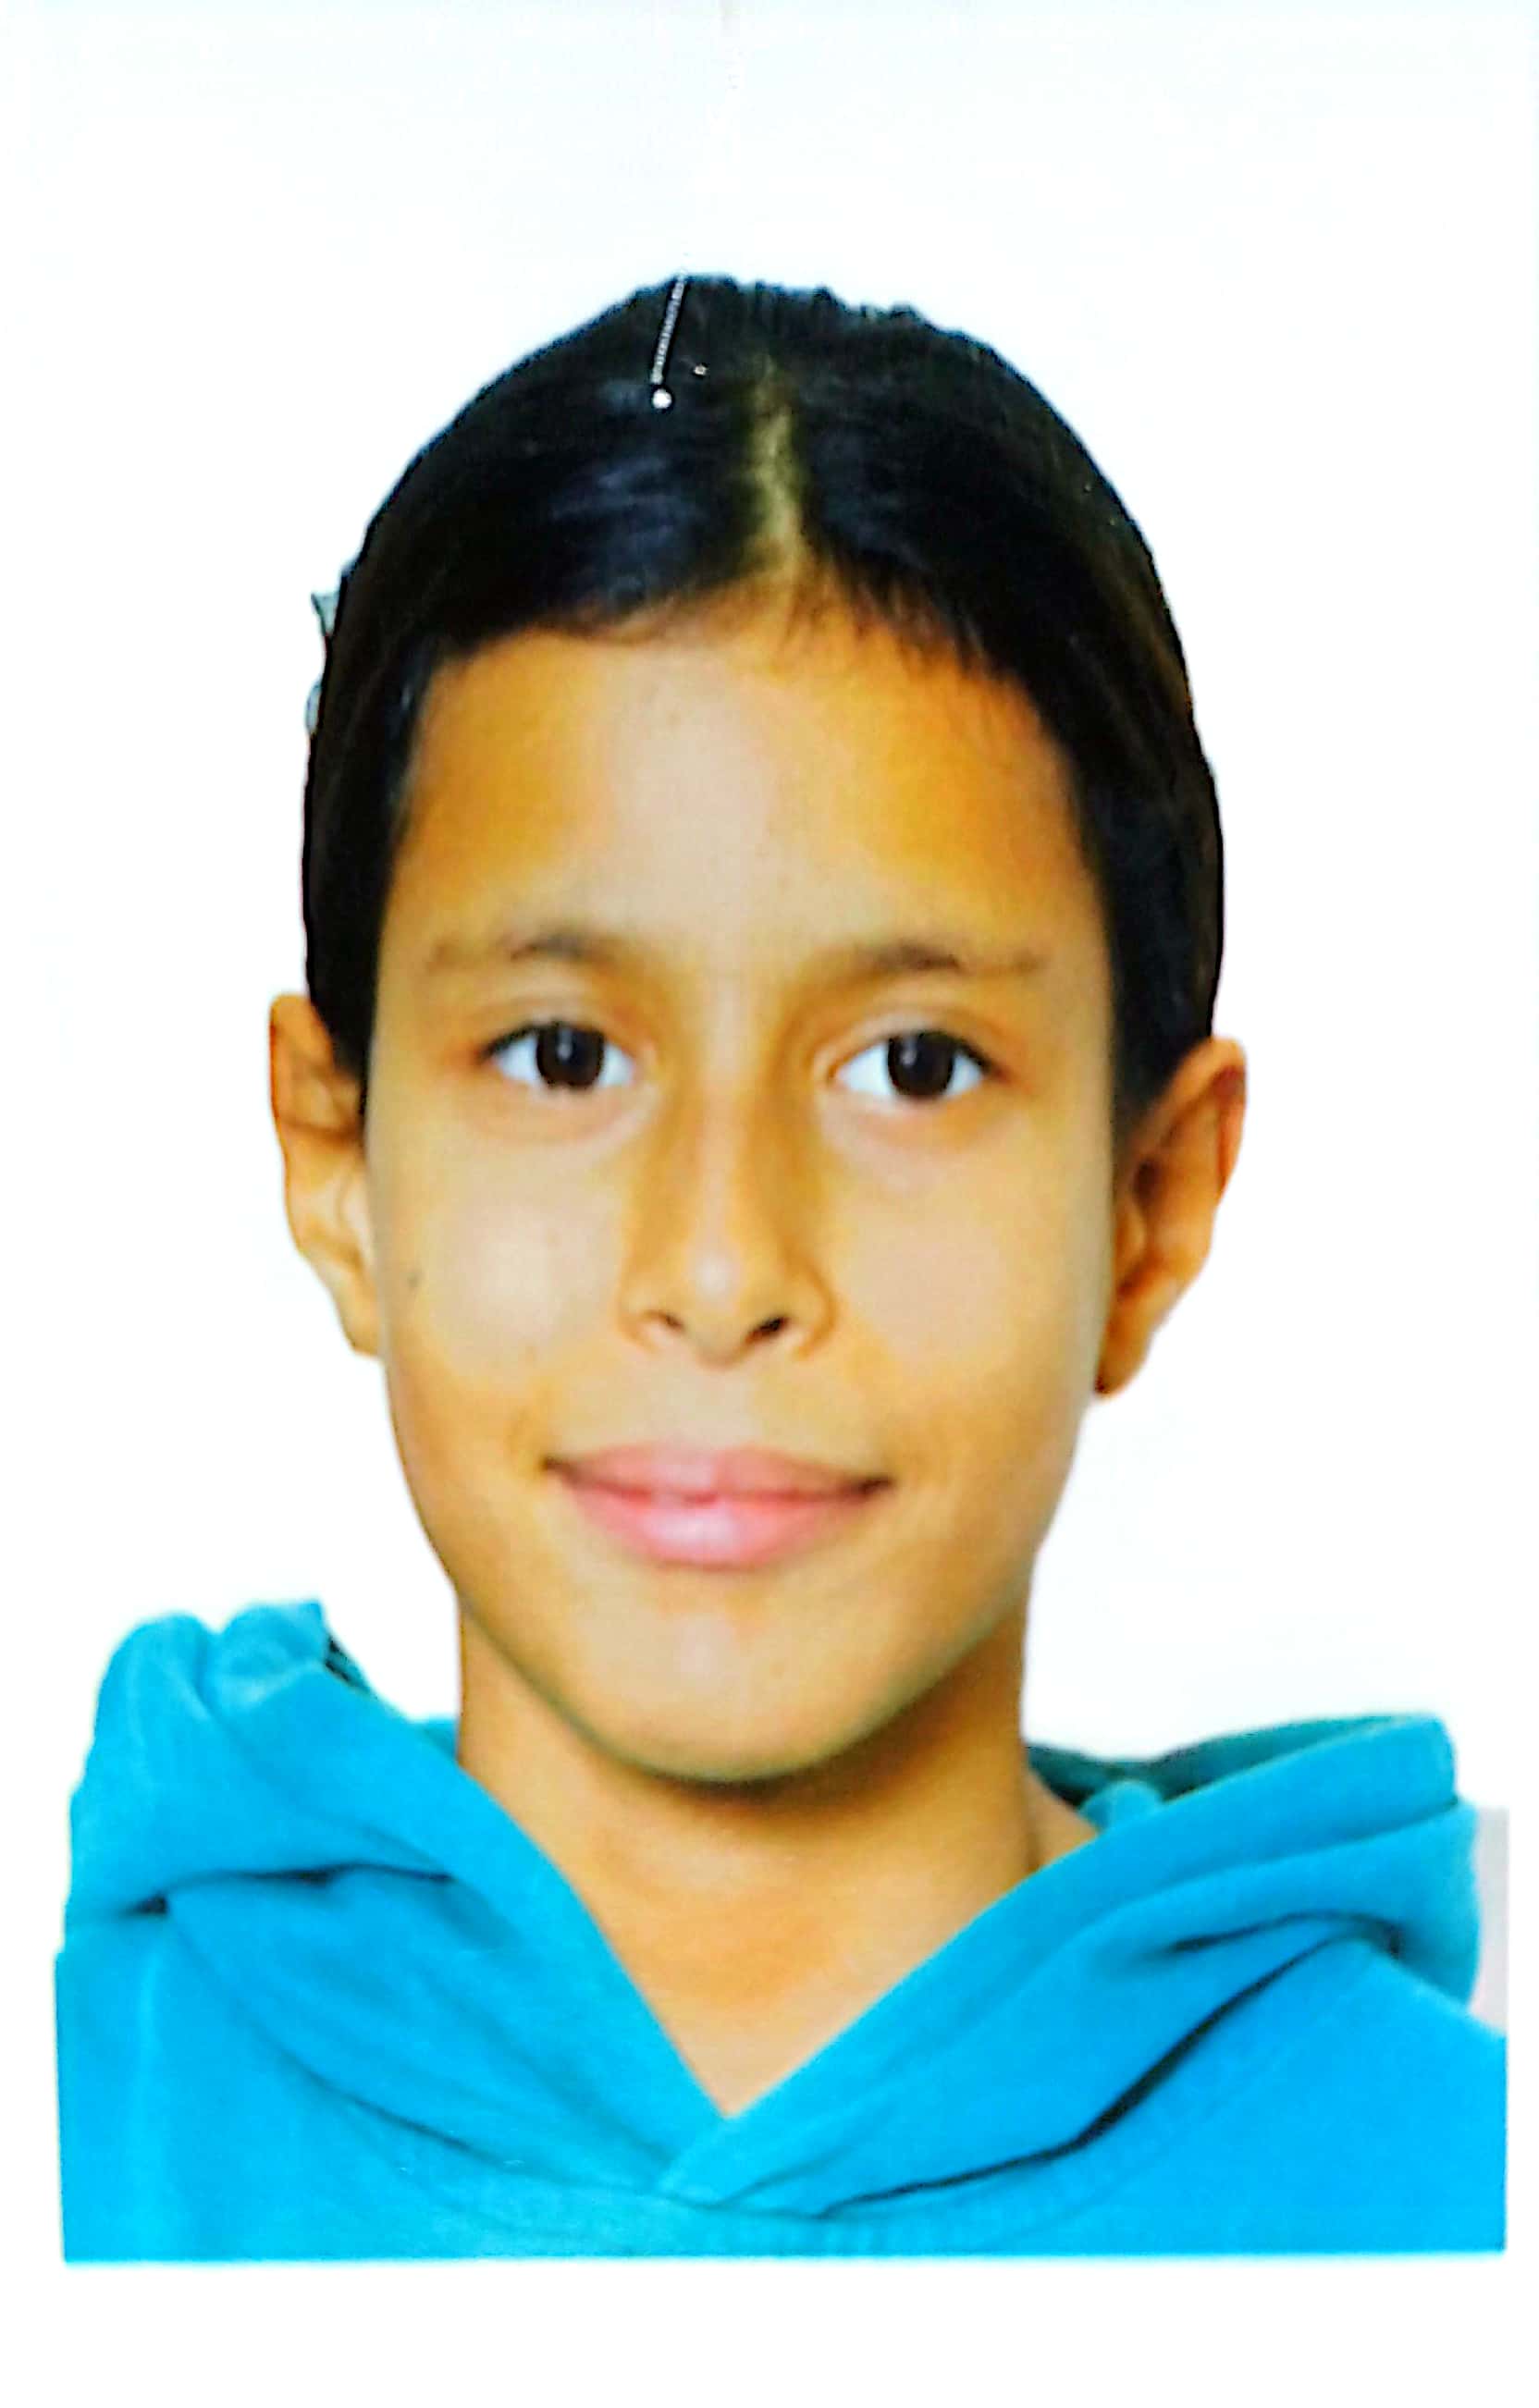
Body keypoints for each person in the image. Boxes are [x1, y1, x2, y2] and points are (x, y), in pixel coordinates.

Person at [55, 274, 1505, 2261]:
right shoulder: (68, 2125)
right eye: (563, 1057)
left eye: (912, 1069)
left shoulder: (1457, 2198)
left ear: (1149, 1201)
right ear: (338, 1164)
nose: (724, 1264)